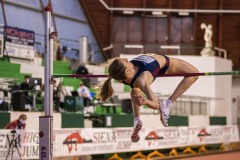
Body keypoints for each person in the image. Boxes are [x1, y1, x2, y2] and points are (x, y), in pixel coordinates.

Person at [94, 53, 199, 142]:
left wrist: (144, 101)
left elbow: (117, 71)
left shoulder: (121, 77)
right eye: (125, 61)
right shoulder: (142, 80)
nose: (127, 59)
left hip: (140, 72)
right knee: (194, 74)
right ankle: (168, 103)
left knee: (134, 88)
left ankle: (137, 119)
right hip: (165, 64)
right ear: (126, 70)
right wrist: (146, 102)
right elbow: (157, 105)